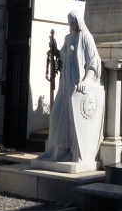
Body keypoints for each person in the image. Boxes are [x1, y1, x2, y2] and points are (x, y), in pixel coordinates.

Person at [38, 12, 103, 163]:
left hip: (76, 84)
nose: (71, 24)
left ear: (79, 22)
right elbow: (63, 54)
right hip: (65, 85)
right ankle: (52, 151)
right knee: (55, 118)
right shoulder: (68, 38)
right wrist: (54, 49)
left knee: (73, 122)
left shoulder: (85, 38)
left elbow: (94, 62)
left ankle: (72, 152)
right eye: (69, 21)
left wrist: (86, 81)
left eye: (73, 21)